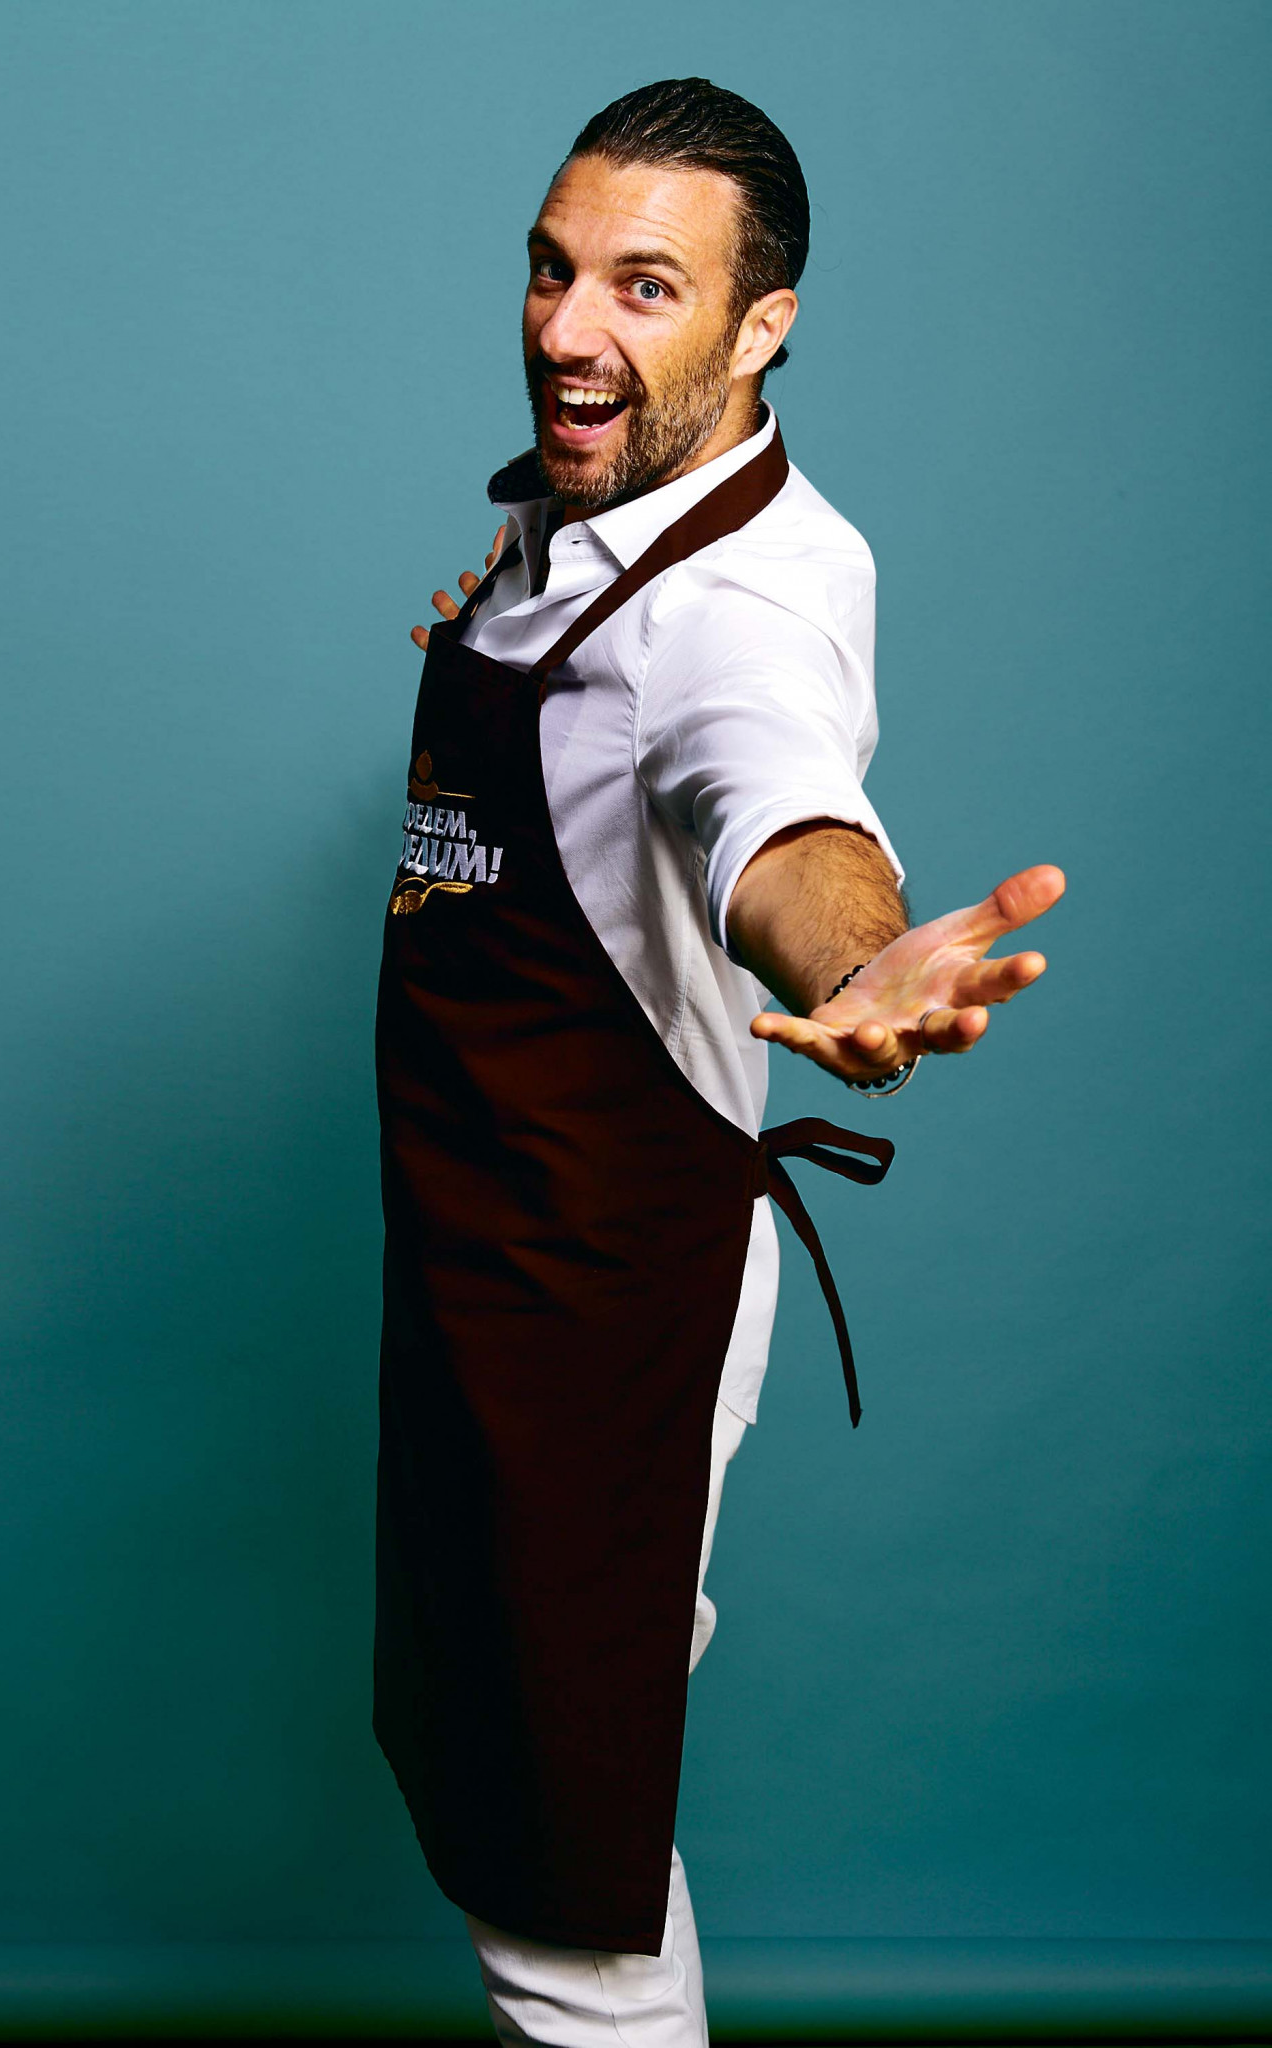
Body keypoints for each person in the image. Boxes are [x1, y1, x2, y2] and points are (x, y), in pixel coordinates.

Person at [374, 78, 1064, 2048]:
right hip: (489, 1262)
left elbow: (772, 801)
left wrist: (856, 959)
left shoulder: (738, 600)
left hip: (610, 1298)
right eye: (552, 268)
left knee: (560, 1865)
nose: (566, 327)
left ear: (764, 327)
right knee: (538, 1796)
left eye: (645, 287)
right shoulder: (594, 518)